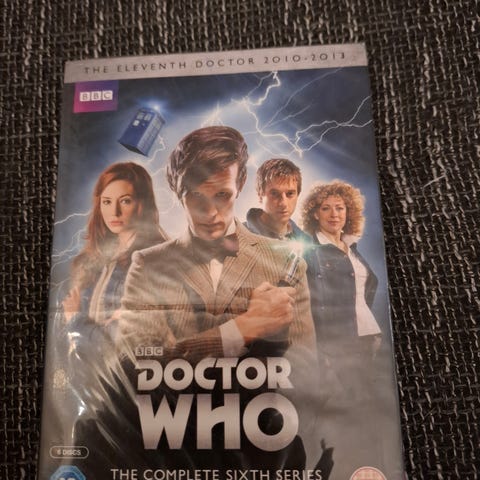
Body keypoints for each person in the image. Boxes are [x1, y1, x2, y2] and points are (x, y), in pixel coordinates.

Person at [109, 126, 317, 474]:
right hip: (172, 452)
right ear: (178, 193)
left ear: (241, 183)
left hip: (262, 451)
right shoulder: (147, 264)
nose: (211, 214)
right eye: (196, 198)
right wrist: (242, 329)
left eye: (222, 195)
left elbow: (308, 373)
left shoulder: (284, 262)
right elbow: (132, 370)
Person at [62, 161, 167, 330]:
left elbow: (115, 336)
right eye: (107, 202)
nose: (114, 212)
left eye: (125, 201)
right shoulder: (96, 258)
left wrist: (74, 320)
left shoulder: (153, 259)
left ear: (142, 205)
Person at [301, 180, 382, 399]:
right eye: (325, 208)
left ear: (348, 212)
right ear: (315, 214)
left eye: (340, 208)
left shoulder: (352, 248)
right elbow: (311, 304)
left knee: (372, 403)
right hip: (339, 343)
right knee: (353, 405)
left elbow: (364, 291)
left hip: (370, 336)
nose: (334, 214)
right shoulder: (311, 252)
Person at [245, 158, 311, 244]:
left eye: (290, 194)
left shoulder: (308, 244)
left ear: (297, 195)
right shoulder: (239, 238)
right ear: (260, 196)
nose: (283, 203)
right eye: (274, 194)